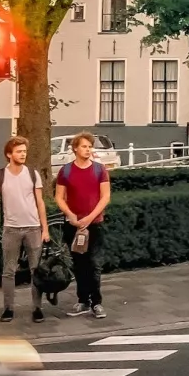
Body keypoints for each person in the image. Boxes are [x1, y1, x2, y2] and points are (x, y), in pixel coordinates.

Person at [0, 135, 49, 323]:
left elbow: (40, 202)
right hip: (11, 228)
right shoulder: (0, 175)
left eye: (24, 151)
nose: (23, 154)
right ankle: (8, 309)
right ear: (9, 154)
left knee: (36, 270)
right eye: (19, 151)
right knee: (9, 271)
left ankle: (37, 308)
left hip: (33, 227)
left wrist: (45, 228)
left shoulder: (32, 174)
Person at [54, 132, 112, 319]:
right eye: (84, 146)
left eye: (90, 147)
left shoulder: (99, 170)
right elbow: (59, 197)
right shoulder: (66, 171)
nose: (88, 150)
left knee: (94, 264)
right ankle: (83, 300)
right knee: (79, 264)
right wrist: (70, 215)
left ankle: (97, 302)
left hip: (94, 224)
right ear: (75, 149)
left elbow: (105, 196)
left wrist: (90, 217)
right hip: (74, 225)